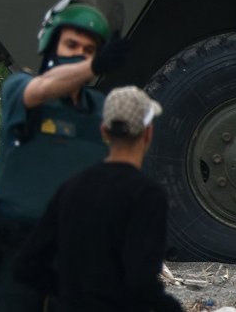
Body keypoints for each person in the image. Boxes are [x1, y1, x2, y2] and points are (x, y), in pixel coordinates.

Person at [0, 0, 118, 312]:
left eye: (89, 51)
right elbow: (39, 90)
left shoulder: (100, 111)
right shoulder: (20, 87)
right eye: (71, 46)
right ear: (51, 44)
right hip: (19, 245)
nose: (80, 57)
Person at [12, 86, 182, 312]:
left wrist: (64, 293)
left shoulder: (71, 187)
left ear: (104, 131)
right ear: (148, 133)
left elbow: (26, 265)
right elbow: (141, 283)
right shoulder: (147, 196)